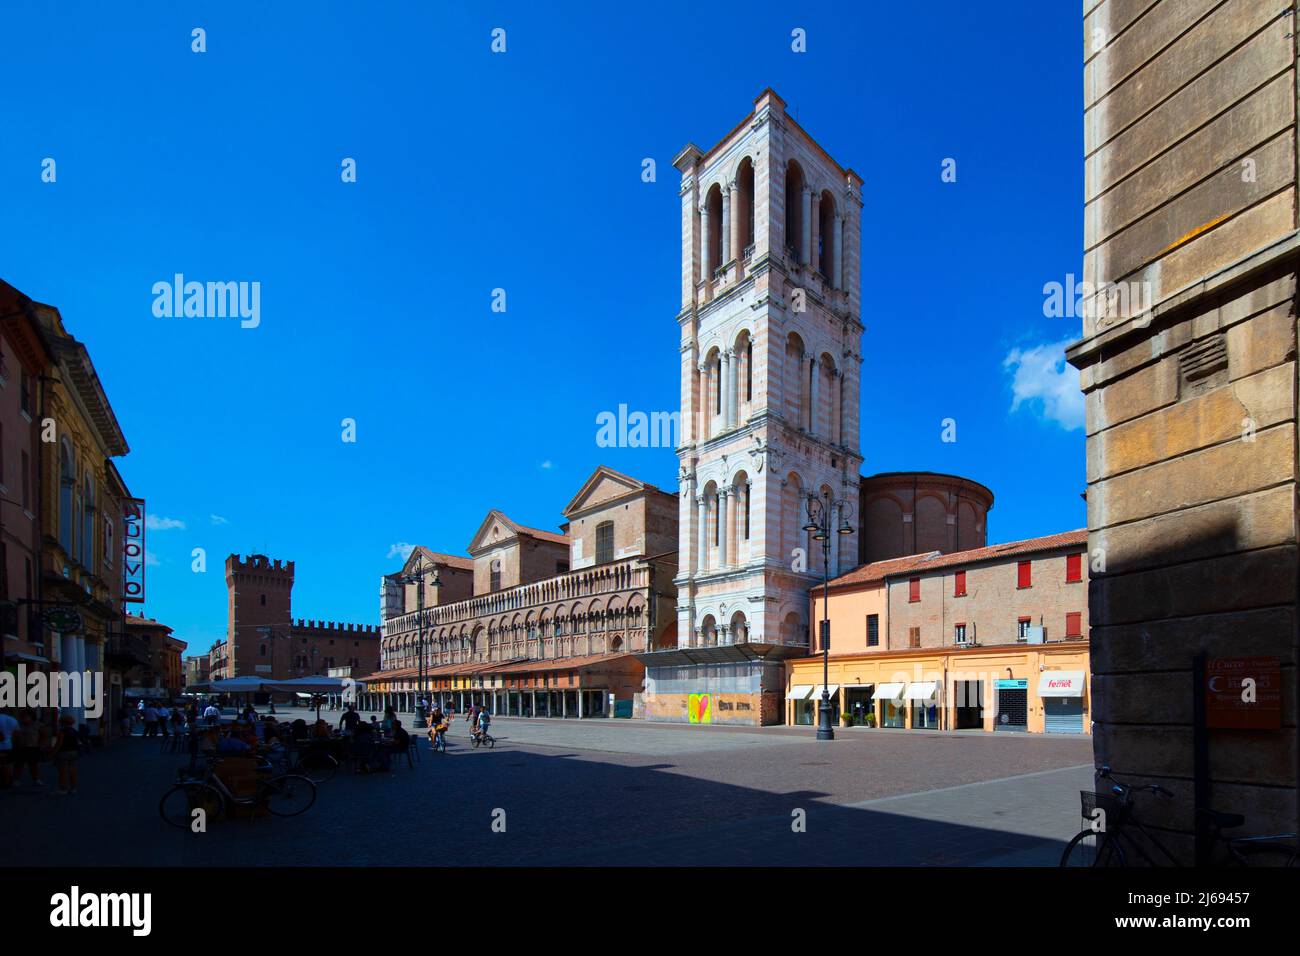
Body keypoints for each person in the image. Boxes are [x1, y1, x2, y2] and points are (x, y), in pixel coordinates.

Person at [13, 710, 46, 788]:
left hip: (33, 747)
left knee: (34, 765)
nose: (23, 719)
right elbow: (15, 735)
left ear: (31, 717)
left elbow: (43, 735)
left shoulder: (37, 725)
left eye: (25, 717)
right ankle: (17, 780)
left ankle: (36, 779)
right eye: (22, 717)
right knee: (19, 764)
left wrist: (41, 745)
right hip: (21, 747)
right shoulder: (19, 725)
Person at [50, 713, 79, 795]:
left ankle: (63, 788)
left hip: (63, 753)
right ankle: (73, 788)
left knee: (63, 771)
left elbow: (59, 743)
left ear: (62, 722)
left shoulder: (62, 731)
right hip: (74, 752)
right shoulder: (74, 731)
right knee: (72, 770)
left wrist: (53, 752)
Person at [0, 708, 19, 790]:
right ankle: (8, 781)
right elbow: (16, 734)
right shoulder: (13, 720)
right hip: (8, 745)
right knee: (7, 764)